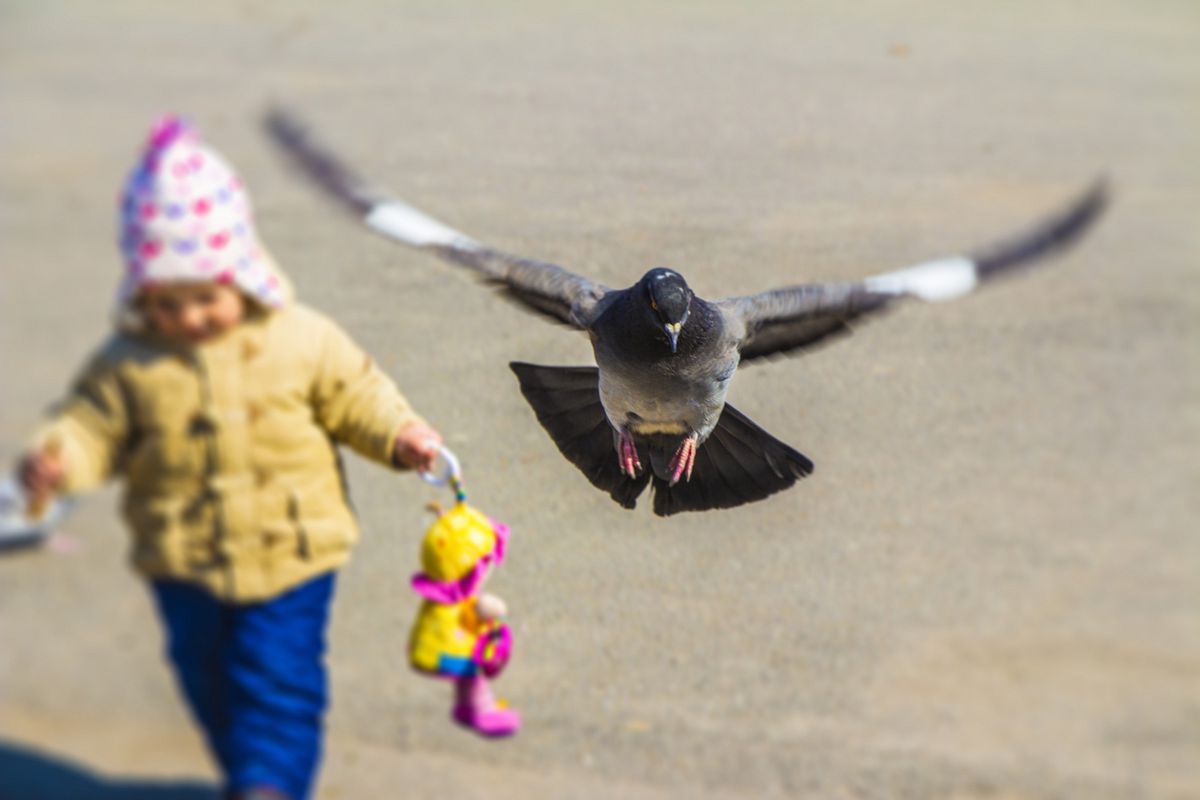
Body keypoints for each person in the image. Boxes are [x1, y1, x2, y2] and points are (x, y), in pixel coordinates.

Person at [17, 116, 443, 800]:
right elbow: (92, 424)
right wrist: (58, 458)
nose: (187, 319)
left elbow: (358, 395)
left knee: (277, 680)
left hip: (291, 557)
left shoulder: (300, 339)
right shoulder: (131, 361)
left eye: (205, 299)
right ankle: (251, 768)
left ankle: (269, 782)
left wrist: (402, 436)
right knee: (205, 677)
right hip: (183, 561)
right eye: (166, 303)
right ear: (141, 293)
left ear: (241, 276)